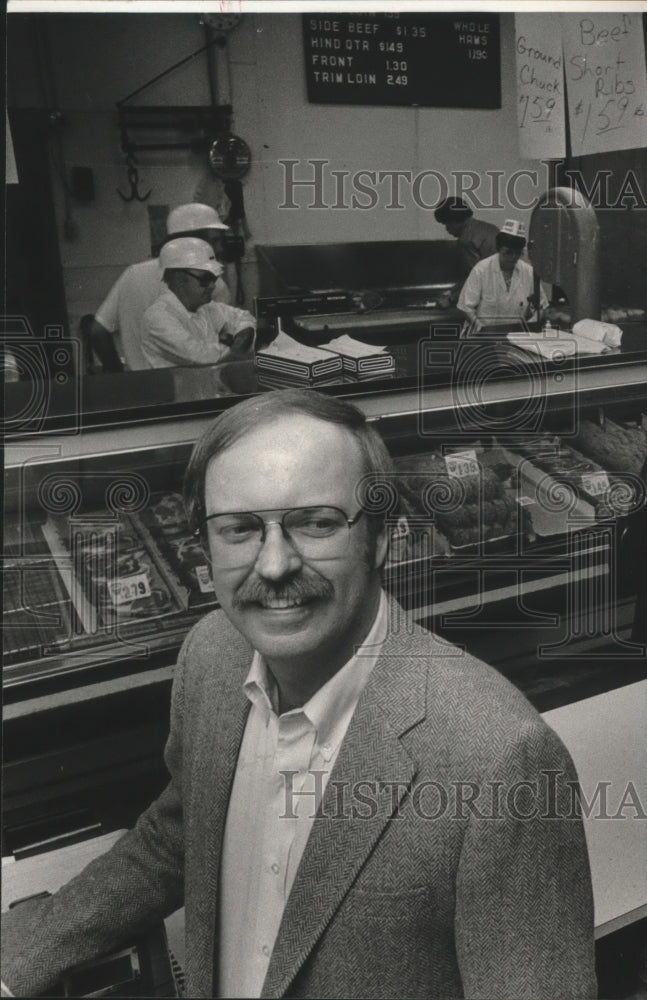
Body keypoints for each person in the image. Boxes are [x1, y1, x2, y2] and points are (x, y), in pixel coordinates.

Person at [1, 389, 597, 999]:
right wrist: (17, 956)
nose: (275, 563)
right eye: (239, 529)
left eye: (316, 523)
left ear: (382, 538)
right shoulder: (211, 656)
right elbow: (181, 835)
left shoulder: (500, 757)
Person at [90, 203, 232, 371]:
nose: (220, 248)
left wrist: (118, 377)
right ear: (192, 240)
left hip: (142, 389)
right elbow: (223, 348)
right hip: (193, 391)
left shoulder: (133, 274)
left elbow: (98, 331)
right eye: (215, 241)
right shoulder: (212, 285)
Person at [141, 237, 255, 369]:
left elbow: (245, 318)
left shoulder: (206, 308)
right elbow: (200, 356)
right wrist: (236, 349)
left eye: (214, 278)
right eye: (205, 279)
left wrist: (237, 345)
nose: (213, 286)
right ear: (179, 279)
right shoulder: (158, 318)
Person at [457, 219, 548, 331]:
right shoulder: (481, 270)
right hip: (482, 334)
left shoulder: (528, 272)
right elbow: (465, 308)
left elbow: (542, 307)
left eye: (518, 253)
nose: (513, 257)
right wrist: (481, 329)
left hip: (516, 334)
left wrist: (529, 326)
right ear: (498, 249)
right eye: (508, 252)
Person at [434, 196, 499, 308]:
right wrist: (453, 290)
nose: (447, 229)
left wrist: (450, 299)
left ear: (455, 221)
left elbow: (475, 279)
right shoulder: (491, 228)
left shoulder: (466, 240)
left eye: (447, 224)